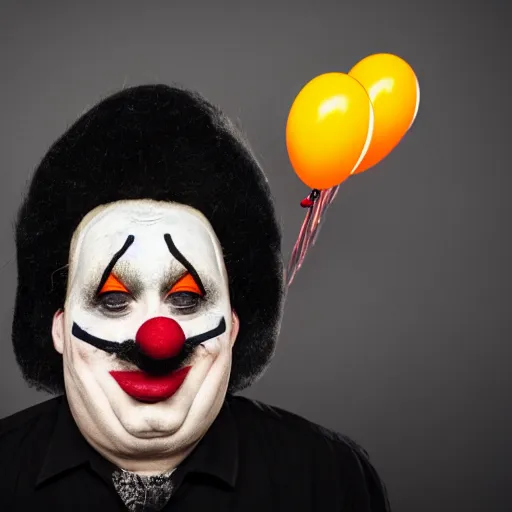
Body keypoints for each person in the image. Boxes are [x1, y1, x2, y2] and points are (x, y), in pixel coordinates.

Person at [0, 84, 391, 511]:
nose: (156, 336)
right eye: (113, 299)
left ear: (234, 326)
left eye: (186, 298)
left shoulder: (328, 479)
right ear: (58, 327)